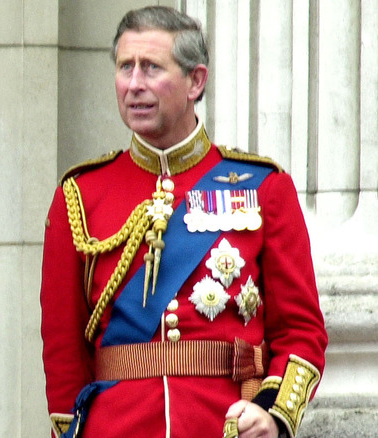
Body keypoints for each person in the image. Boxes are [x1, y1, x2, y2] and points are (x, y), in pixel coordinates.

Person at [40, 6, 326, 438]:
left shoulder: (264, 187)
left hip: (225, 423)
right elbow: (63, 352)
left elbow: (301, 331)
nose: (134, 84)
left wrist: (273, 413)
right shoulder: (79, 196)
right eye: (124, 68)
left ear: (196, 81)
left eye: (151, 68)